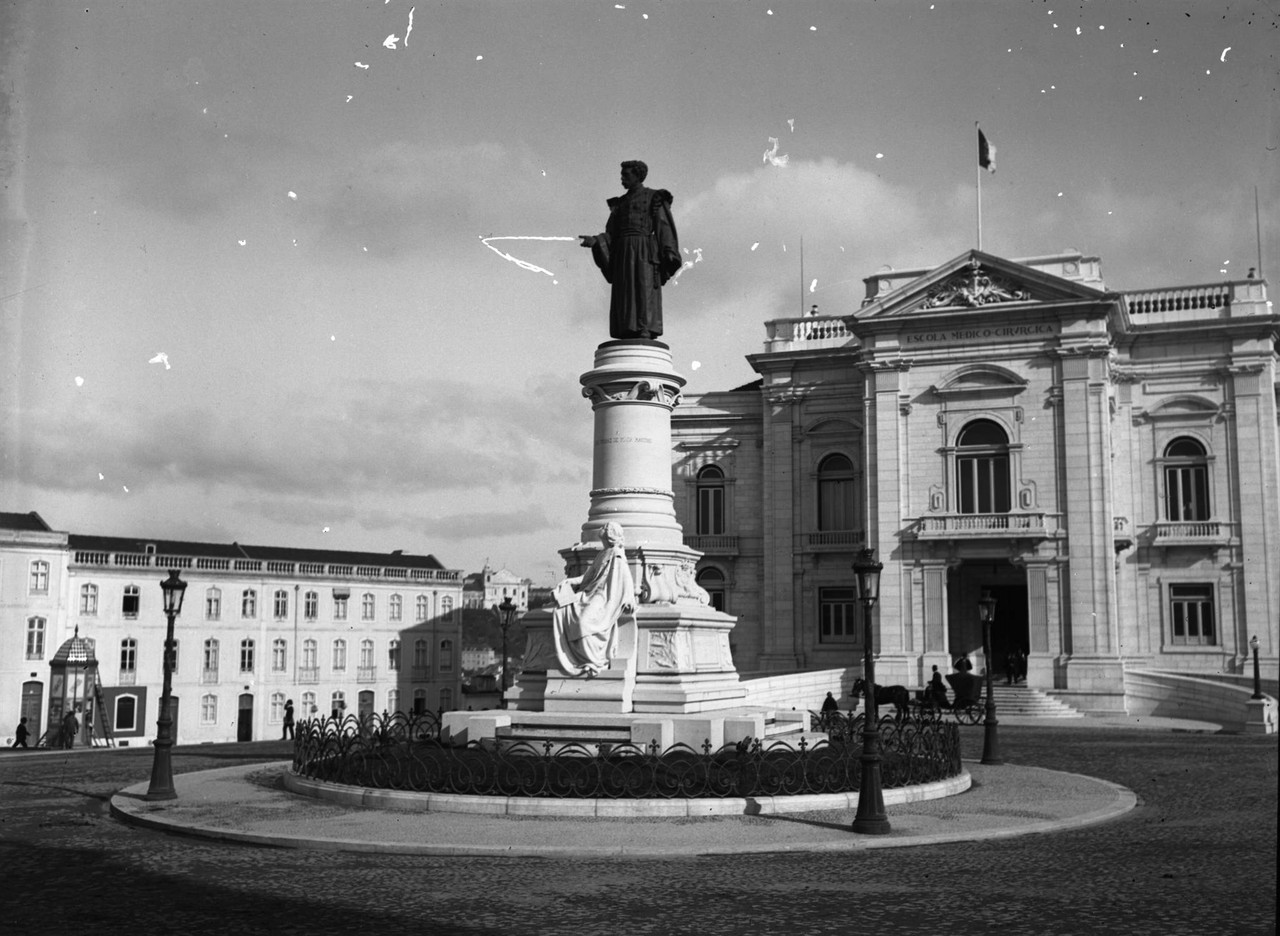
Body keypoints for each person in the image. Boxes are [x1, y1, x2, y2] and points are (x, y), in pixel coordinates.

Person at [580, 160, 681, 340]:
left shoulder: (654, 197)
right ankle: (626, 327)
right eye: (621, 175)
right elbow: (611, 233)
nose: (622, 179)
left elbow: (663, 226)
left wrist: (669, 252)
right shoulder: (620, 204)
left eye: (625, 175)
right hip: (623, 252)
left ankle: (645, 328)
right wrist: (596, 241)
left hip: (644, 251)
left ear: (638, 175)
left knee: (644, 287)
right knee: (625, 290)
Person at [551, 522, 636, 677]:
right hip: (591, 594)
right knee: (561, 610)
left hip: (604, 597)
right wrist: (570, 581)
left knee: (584, 622)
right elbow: (587, 577)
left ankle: (593, 660)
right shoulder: (603, 554)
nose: (602, 540)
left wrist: (629, 597)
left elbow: (625, 577)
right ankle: (584, 659)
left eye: (604, 536)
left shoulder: (616, 554)